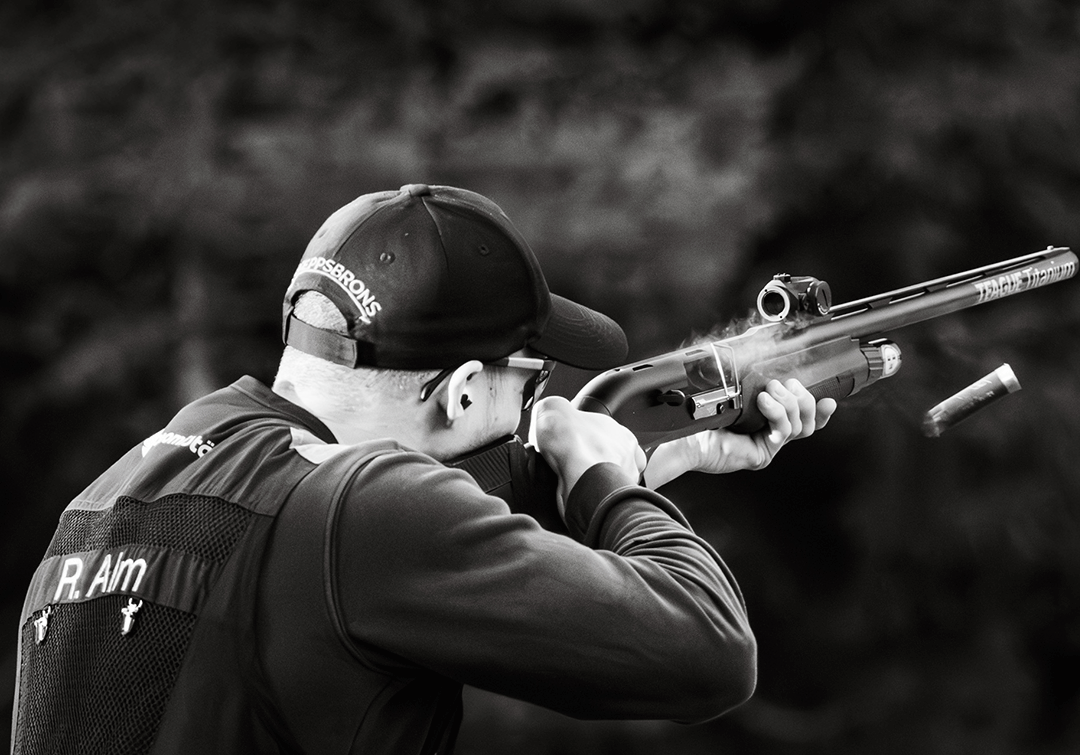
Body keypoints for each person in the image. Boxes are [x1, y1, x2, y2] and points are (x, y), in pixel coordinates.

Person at [12, 184, 835, 754]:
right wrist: (605, 485)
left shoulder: (107, 500)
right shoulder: (366, 510)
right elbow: (710, 651)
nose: (533, 406)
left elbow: (327, 578)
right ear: (465, 388)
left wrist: (654, 451)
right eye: (532, 381)